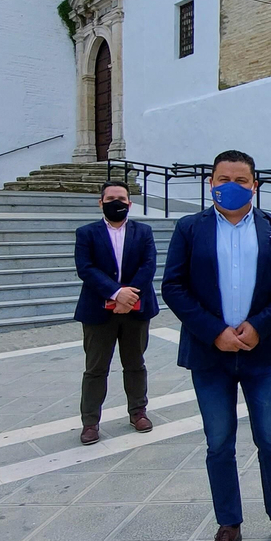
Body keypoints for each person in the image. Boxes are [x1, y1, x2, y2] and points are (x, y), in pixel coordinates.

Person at [162, 150, 271, 541]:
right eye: (223, 178)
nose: (232, 185)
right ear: (211, 183)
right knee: (219, 443)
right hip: (211, 356)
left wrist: (259, 325)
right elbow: (173, 285)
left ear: (255, 185)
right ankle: (228, 524)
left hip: (262, 354)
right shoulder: (191, 228)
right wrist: (215, 332)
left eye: (241, 179)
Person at [73, 181, 159, 445]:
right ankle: (90, 422)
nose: (116, 202)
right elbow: (85, 268)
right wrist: (115, 293)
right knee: (96, 368)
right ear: (101, 202)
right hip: (98, 310)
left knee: (135, 364)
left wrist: (128, 297)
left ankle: (138, 412)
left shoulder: (143, 231)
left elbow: (148, 265)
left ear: (130, 203)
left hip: (136, 309)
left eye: (121, 198)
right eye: (110, 198)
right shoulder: (86, 233)